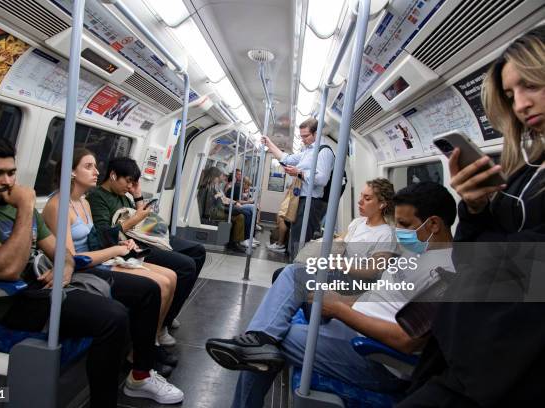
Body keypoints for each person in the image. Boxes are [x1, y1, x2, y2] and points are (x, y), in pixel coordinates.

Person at [0, 133, 183, 406]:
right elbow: (7, 269)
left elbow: (63, 254)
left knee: (148, 290)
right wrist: (25, 207)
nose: (7, 182)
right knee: (112, 317)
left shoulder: (20, 209)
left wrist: (65, 270)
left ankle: (140, 376)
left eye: (11, 173)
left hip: (44, 285)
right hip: (12, 301)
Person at [205, 182, 457, 408]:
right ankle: (259, 336)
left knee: (272, 343)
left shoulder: (446, 273)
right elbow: (378, 299)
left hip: (376, 357)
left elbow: (407, 340)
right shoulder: (415, 255)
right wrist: (341, 300)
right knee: (294, 275)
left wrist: (339, 309)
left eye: (404, 225)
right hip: (352, 326)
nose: (399, 230)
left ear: (433, 224)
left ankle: (259, 342)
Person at [398, 27, 545, 407]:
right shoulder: (527, 170)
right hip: (470, 353)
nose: (521, 105)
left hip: (512, 368)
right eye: (511, 96)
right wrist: (475, 207)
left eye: (531, 85)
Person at [42, 148, 179, 375]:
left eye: (95, 166)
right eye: (88, 166)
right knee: (159, 285)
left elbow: (95, 241)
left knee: (170, 276)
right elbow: (72, 259)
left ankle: (145, 348)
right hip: (83, 269)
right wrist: (115, 248)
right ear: (71, 172)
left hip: (99, 259)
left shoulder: (84, 202)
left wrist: (123, 247)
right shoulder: (58, 206)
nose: (97, 172)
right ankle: (140, 360)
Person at [87, 157, 206, 345]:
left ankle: (169, 311)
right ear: (113, 175)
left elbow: (140, 217)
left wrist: (137, 195)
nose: (130, 186)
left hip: (143, 234)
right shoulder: (97, 197)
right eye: (128, 181)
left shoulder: (123, 196)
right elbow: (106, 235)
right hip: (129, 243)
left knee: (197, 251)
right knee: (186, 266)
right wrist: (136, 218)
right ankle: (162, 324)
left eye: (133, 183)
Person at [261, 118, 334, 257]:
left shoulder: (324, 152)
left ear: (317, 133)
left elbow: (322, 179)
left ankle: (297, 272)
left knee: (300, 240)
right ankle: (293, 269)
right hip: (301, 199)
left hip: (311, 201)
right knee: (295, 236)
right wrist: (269, 144)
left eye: (305, 136)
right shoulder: (308, 151)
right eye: (301, 136)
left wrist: (299, 173)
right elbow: (286, 158)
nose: (303, 139)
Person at [197, 166, 249, 251]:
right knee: (240, 217)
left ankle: (236, 242)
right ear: (215, 177)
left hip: (217, 210)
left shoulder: (213, 187)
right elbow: (208, 207)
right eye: (220, 176)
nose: (221, 178)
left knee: (240, 216)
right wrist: (217, 198)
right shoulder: (206, 188)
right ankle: (234, 243)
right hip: (213, 213)